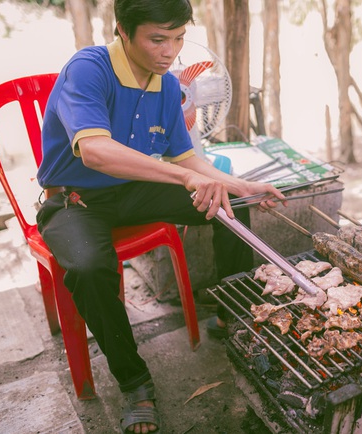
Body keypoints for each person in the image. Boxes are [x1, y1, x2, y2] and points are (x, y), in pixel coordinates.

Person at [35, 0, 285, 432]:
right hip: (74, 199)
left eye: (178, 39)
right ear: (123, 31)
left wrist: (238, 185)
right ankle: (135, 383)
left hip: (132, 192)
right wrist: (181, 178)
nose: (169, 51)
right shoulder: (89, 68)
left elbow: (185, 155)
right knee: (90, 267)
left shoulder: (167, 86)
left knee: (231, 205)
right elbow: (95, 151)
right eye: (157, 39)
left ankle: (234, 315)